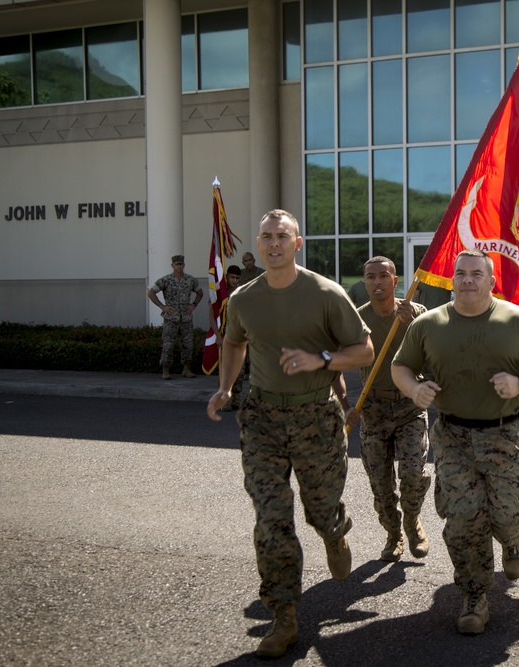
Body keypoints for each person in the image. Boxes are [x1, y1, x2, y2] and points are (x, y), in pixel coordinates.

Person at [206, 209, 374, 659]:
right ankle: (283, 616)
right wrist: (225, 387)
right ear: (258, 245)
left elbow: (364, 351)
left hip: (316, 415)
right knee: (271, 517)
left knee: (320, 510)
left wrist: (320, 358)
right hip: (261, 417)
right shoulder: (243, 299)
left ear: (297, 244)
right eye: (266, 236)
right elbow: (234, 342)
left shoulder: (325, 293)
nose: (274, 243)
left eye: (283, 236)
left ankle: (335, 533)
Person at [391, 249, 519, 636]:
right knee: (464, 519)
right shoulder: (429, 324)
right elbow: (400, 366)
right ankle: (474, 595)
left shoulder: (518, 320)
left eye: (476, 274)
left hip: (504, 434)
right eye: (461, 274)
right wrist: (413, 389)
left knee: (510, 512)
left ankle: (512, 539)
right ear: (452, 280)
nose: (467, 280)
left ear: (491, 281)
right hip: (453, 436)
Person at [344, 256, 430, 563]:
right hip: (373, 409)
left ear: (396, 281)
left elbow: (433, 359)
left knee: (413, 474)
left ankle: (412, 521)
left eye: (384, 276)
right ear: (364, 282)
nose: (377, 282)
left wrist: (411, 327)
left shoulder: (417, 314)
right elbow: (338, 363)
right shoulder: (357, 320)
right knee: (380, 483)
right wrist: (345, 405)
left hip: (409, 406)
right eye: (370, 277)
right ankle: (393, 535)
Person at [147, 254, 203, 380]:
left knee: (188, 345)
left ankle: (186, 369)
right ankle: (165, 370)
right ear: (172, 265)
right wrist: (162, 306)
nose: (179, 266)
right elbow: (151, 293)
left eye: (181, 264)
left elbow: (200, 293)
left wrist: (193, 304)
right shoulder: (165, 280)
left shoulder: (190, 280)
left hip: (186, 318)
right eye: (177, 264)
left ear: (184, 265)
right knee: (168, 345)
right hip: (171, 319)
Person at [219, 264, 245, 411]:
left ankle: (236, 397)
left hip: (240, 336)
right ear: (227, 277)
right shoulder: (221, 294)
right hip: (225, 335)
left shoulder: (243, 292)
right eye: (232, 277)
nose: (234, 281)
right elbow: (213, 315)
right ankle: (224, 398)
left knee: (239, 370)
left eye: (237, 278)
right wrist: (217, 335)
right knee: (226, 368)